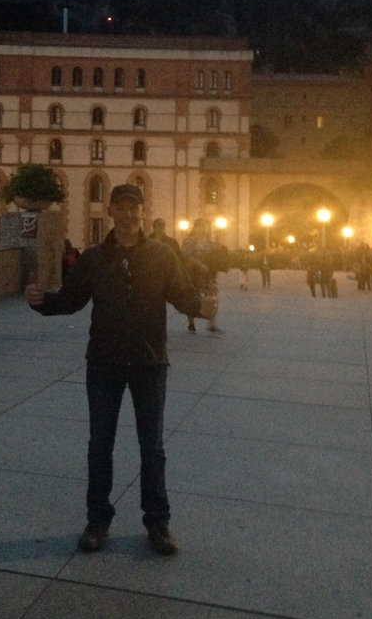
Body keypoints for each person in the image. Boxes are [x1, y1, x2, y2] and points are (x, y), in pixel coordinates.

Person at [25, 184, 216, 556]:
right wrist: (41, 303)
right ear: (111, 211)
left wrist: (202, 307)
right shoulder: (94, 258)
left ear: (142, 212)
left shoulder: (162, 255)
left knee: (152, 448)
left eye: (135, 208)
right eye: (122, 208)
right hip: (105, 364)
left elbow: (181, 294)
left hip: (149, 362)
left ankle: (158, 523)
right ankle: (98, 520)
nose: (128, 215)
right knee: (100, 446)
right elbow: (70, 301)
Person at [181, 218, 223, 334]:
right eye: (202, 226)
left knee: (213, 295)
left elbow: (214, 256)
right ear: (196, 227)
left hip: (208, 274)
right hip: (194, 273)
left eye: (206, 226)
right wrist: (198, 264)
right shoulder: (190, 241)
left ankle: (212, 323)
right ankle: (191, 323)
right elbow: (184, 255)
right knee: (192, 298)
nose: (204, 229)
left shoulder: (209, 242)